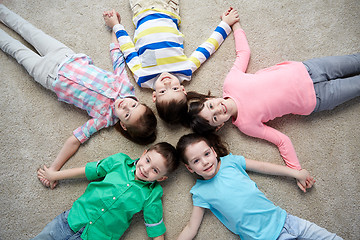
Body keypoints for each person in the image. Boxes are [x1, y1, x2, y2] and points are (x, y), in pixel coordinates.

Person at [0, 4, 157, 189]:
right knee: (27, 29)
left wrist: (54, 170)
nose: (126, 106)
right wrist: (115, 25)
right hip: (66, 56)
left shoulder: (104, 118)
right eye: (134, 105)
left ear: (122, 124)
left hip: (49, 76)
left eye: (127, 114)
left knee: (14, 49)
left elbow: (75, 139)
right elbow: (117, 55)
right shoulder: (125, 85)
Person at [186, 18, 360, 170]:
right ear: (219, 126)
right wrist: (296, 170)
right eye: (215, 117)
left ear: (209, 98)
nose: (218, 109)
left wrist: (236, 25)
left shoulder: (231, 82)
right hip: (317, 98)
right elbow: (281, 140)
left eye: (210, 105)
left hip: (309, 69)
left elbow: (243, 53)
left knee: (355, 60)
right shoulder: (246, 125)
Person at [176, 132, 343, 240]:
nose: (205, 162)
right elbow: (191, 227)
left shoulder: (230, 161)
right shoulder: (200, 192)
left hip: (285, 220)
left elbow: (264, 167)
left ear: (213, 151)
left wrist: (296, 173)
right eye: (196, 161)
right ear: (190, 168)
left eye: (206, 154)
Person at [103, 3, 240, 124]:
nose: (167, 83)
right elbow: (207, 48)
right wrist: (225, 24)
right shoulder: (185, 70)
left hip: (141, 11)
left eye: (162, 91)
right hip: (168, 8)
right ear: (183, 89)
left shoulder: (143, 77)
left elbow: (128, 50)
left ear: (155, 95)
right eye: (174, 89)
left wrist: (116, 25)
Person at [34, 141, 179, 240]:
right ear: (143, 154)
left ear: (161, 178)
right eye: (147, 160)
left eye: (155, 170)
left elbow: (155, 227)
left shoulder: (152, 194)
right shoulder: (119, 161)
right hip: (72, 219)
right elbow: (88, 171)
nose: (146, 169)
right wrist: (55, 175)